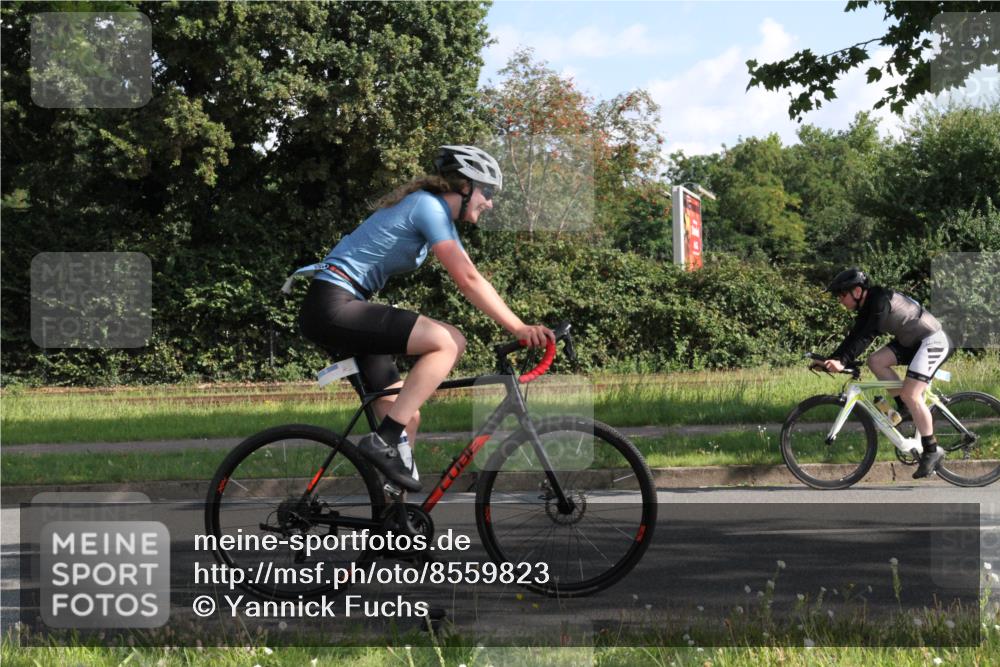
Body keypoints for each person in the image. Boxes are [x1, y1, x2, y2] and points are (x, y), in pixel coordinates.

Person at [289, 145, 554, 493]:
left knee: (406, 415)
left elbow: (468, 272)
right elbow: (468, 279)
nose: (489, 202)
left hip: (341, 306)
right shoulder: (427, 206)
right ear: (463, 186)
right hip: (333, 305)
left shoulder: (432, 211)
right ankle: (380, 441)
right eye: (486, 192)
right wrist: (519, 327)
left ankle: (394, 526)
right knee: (449, 341)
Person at [818, 268, 953, 479]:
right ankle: (906, 408)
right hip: (912, 342)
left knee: (912, 394)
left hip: (932, 341)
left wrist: (842, 361)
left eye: (841, 295)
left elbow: (868, 336)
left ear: (856, 291)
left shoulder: (879, 300)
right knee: (876, 361)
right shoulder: (867, 305)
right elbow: (855, 336)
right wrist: (832, 359)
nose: (840, 300)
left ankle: (932, 450)